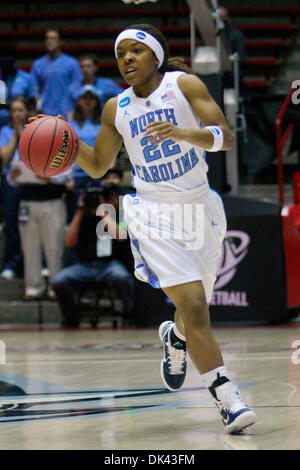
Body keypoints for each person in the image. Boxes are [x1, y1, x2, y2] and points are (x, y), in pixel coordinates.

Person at [31, 23, 256, 434]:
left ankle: (175, 337)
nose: (127, 59)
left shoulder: (183, 85)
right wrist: (63, 137)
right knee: (195, 304)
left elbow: (224, 137)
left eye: (136, 51)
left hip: (200, 206)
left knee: (193, 311)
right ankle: (227, 398)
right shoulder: (116, 109)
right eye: (121, 54)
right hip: (153, 212)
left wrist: (184, 133)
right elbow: (98, 164)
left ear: (155, 55)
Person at [50, 183, 134, 328]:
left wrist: (103, 213)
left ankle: (128, 315)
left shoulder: (119, 215)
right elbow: (69, 242)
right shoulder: (83, 216)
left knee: (121, 277)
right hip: (85, 265)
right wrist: (80, 210)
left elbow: (121, 235)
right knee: (58, 281)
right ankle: (71, 317)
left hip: (110, 264)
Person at [0, 97, 29, 279]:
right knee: (11, 225)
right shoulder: (5, 131)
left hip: (30, 184)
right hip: (10, 184)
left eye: (20, 110)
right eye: (14, 110)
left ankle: (30, 264)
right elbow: (3, 158)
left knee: (29, 226)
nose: (17, 114)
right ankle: (10, 264)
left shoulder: (33, 131)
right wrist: (16, 135)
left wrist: (24, 134)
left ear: (27, 112)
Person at [67, 84, 103, 219]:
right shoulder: (71, 124)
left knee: (101, 219)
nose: (88, 101)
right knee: (77, 218)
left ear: (97, 101)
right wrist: (67, 177)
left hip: (99, 176)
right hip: (77, 177)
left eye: (91, 98)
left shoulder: (104, 123)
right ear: (78, 101)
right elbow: (66, 152)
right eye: (84, 98)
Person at [30, 28, 82, 117]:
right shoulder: (37, 64)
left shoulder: (72, 63)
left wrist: (72, 110)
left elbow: (77, 89)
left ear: (61, 42)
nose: (49, 41)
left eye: (53, 38)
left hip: (66, 113)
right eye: (47, 38)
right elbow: (34, 90)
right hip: (44, 113)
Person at [61, 54, 123, 120]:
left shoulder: (108, 85)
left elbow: (122, 98)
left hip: (103, 122)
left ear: (95, 67)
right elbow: (69, 110)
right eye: (82, 66)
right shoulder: (72, 88)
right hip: (79, 124)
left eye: (88, 66)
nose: (85, 69)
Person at [0, 43, 36, 128]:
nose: (5, 66)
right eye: (2, 63)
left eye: (8, 63)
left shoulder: (26, 78)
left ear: (13, 61)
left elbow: (32, 103)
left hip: (20, 124)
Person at [217, 7, 246, 92]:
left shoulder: (237, 35)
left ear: (227, 18)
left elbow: (241, 58)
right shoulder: (212, 36)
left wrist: (226, 66)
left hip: (232, 69)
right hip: (216, 68)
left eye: (222, 17)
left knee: (234, 75)